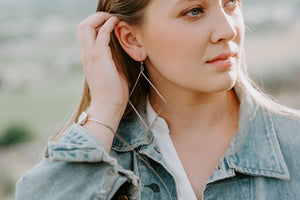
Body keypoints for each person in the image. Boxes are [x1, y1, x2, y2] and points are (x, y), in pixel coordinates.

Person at [16, 0, 300, 199]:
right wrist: (105, 109)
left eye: (230, 2)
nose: (228, 30)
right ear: (132, 39)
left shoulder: (294, 143)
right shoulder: (102, 158)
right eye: (194, 11)